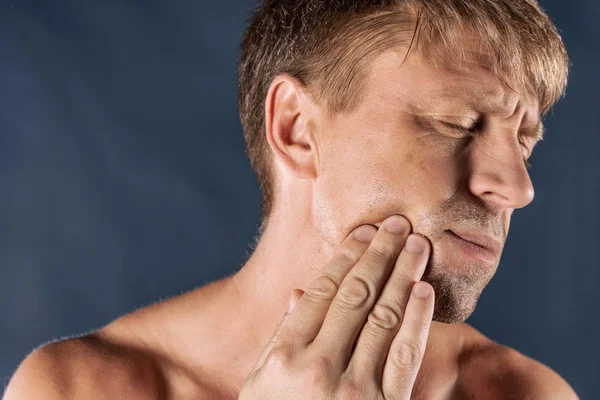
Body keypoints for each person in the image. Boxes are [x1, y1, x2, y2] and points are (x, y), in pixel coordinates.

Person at [4, 0, 580, 399]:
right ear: (298, 128)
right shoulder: (79, 389)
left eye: (525, 142)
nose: (517, 188)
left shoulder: (524, 392)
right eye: (455, 123)